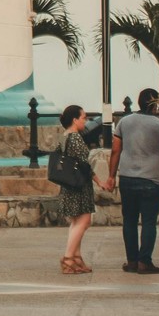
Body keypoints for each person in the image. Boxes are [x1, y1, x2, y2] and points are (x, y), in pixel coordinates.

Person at [106, 88, 159, 274]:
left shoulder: (124, 122)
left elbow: (115, 151)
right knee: (149, 222)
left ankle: (132, 261)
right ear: (155, 104)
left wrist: (111, 176)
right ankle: (145, 262)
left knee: (129, 221)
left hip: (127, 178)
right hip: (150, 180)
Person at [56, 104, 96, 274]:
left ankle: (76, 258)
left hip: (69, 184)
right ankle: (68, 257)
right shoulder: (75, 138)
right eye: (83, 118)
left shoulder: (64, 137)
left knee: (76, 221)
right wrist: (100, 181)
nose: (85, 122)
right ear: (75, 119)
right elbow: (84, 164)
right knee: (84, 221)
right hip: (80, 185)